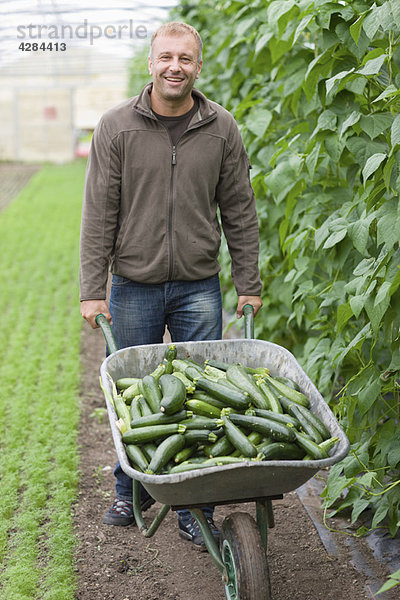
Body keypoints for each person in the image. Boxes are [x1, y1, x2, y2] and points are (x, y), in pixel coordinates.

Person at [79, 21, 262, 547]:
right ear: (152, 63)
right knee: (131, 395)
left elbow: (240, 212)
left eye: (185, 58)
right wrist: (94, 289)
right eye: (166, 58)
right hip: (132, 283)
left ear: (198, 67)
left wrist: (247, 282)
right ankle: (128, 489)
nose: (174, 67)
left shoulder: (222, 127)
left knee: (201, 395)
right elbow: (98, 216)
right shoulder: (117, 127)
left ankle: (194, 505)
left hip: (198, 284)